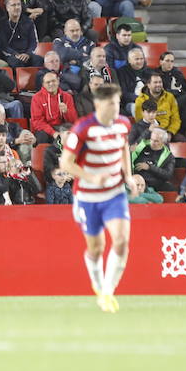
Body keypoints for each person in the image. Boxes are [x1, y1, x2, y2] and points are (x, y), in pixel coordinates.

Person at [56, 83, 131, 314]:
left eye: (117, 102)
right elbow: (65, 163)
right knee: (96, 248)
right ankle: (99, 286)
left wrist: (128, 176)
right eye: (111, 104)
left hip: (114, 194)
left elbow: (124, 147)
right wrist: (90, 176)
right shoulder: (83, 128)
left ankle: (108, 292)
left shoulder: (123, 124)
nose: (115, 108)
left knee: (121, 241)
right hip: (88, 196)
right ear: (98, 104)